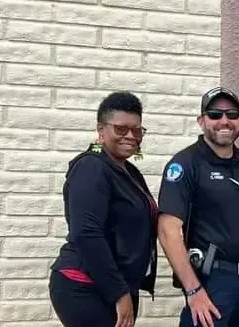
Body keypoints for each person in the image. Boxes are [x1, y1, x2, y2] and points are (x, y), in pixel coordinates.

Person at [49, 91, 158, 327]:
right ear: (101, 130)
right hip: (85, 287)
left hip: (112, 285)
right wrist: (119, 293)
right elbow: (86, 234)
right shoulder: (92, 167)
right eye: (121, 129)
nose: (130, 136)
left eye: (137, 130)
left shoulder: (127, 171)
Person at [157, 87, 239, 327]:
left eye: (232, 114)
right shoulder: (185, 163)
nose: (224, 121)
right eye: (215, 114)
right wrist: (193, 290)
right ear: (201, 121)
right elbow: (167, 230)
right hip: (210, 280)